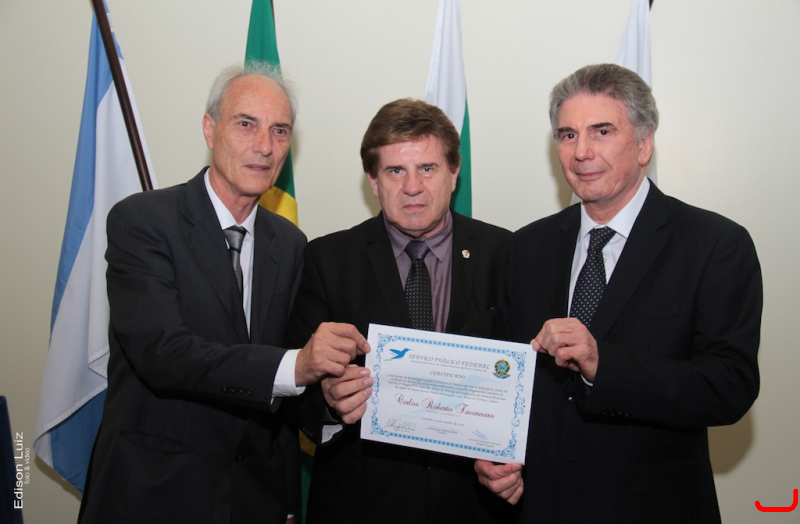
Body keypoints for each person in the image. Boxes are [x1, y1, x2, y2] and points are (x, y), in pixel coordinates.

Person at [78, 63, 368, 524]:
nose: (264, 146)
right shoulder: (144, 221)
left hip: (255, 498)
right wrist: (297, 365)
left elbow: (286, 384)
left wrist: (331, 396)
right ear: (210, 129)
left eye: (279, 130)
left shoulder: (290, 243)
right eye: (246, 124)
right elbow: (163, 353)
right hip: (155, 493)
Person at [475, 63, 762, 523]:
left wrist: (601, 364)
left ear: (644, 144)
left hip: (654, 509)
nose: (581, 152)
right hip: (542, 506)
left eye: (602, 131)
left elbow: (729, 386)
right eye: (568, 135)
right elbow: (508, 373)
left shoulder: (715, 244)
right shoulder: (527, 246)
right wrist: (491, 452)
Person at [285, 99, 517, 523]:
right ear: (373, 181)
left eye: (427, 168)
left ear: (454, 172)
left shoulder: (506, 254)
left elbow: (531, 387)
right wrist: (330, 406)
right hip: (361, 507)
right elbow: (293, 395)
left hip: (473, 506)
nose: (412, 187)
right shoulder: (326, 260)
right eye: (395, 171)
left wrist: (514, 462)